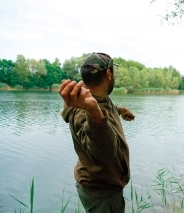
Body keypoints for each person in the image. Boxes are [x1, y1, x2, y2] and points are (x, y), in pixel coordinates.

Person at [58, 52, 135, 213]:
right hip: (101, 192)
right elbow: (104, 152)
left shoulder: (99, 98)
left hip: (105, 186)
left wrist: (119, 110)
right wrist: (94, 113)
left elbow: (104, 107)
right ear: (108, 74)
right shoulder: (83, 110)